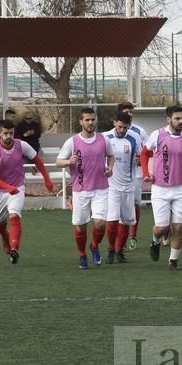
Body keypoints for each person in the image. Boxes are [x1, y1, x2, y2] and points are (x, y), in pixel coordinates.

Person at [141, 104, 182, 271]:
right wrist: (146, 172)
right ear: (168, 119)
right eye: (177, 118)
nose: (181, 121)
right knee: (162, 228)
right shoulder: (157, 135)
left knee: (178, 227)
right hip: (160, 189)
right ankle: (155, 240)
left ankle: (173, 261)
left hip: (181, 189)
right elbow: (144, 153)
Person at [0, 119, 54, 264]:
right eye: (5, 133)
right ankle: (5, 238)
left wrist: (47, 179)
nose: (8, 136)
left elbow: (37, 160)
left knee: (15, 216)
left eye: (11, 133)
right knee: (0, 223)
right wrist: (6, 187)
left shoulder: (22, 145)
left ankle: (14, 249)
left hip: (17, 188)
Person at [56, 107, 115, 270]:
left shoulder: (103, 139)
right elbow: (58, 161)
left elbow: (111, 156)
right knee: (80, 226)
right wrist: (69, 162)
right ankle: (82, 255)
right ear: (81, 122)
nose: (90, 122)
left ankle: (94, 245)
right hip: (80, 191)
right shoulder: (72, 142)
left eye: (93, 119)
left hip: (101, 189)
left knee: (100, 224)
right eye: (87, 120)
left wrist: (110, 168)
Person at [102, 111, 141, 264]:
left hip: (129, 185)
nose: (122, 130)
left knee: (126, 221)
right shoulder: (105, 137)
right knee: (112, 220)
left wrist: (139, 161)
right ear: (114, 123)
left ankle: (120, 251)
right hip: (111, 185)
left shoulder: (134, 139)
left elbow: (139, 157)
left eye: (125, 128)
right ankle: (111, 249)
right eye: (120, 127)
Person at [117, 101, 149, 250]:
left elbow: (148, 151)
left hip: (135, 175)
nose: (129, 115)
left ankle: (133, 236)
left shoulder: (139, 132)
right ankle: (119, 240)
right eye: (126, 112)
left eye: (131, 112)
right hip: (117, 176)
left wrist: (140, 159)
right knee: (118, 208)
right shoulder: (112, 133)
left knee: (135, 205)